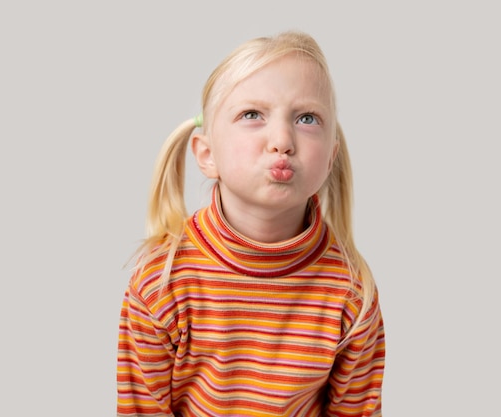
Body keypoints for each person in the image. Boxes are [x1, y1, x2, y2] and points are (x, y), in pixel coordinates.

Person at [116, 30, 385, 416]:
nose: (282, 140)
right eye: (252, 115)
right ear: (207, 155)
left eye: (307, 118)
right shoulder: (161, 284)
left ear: (330, 158)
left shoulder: (351, 292)